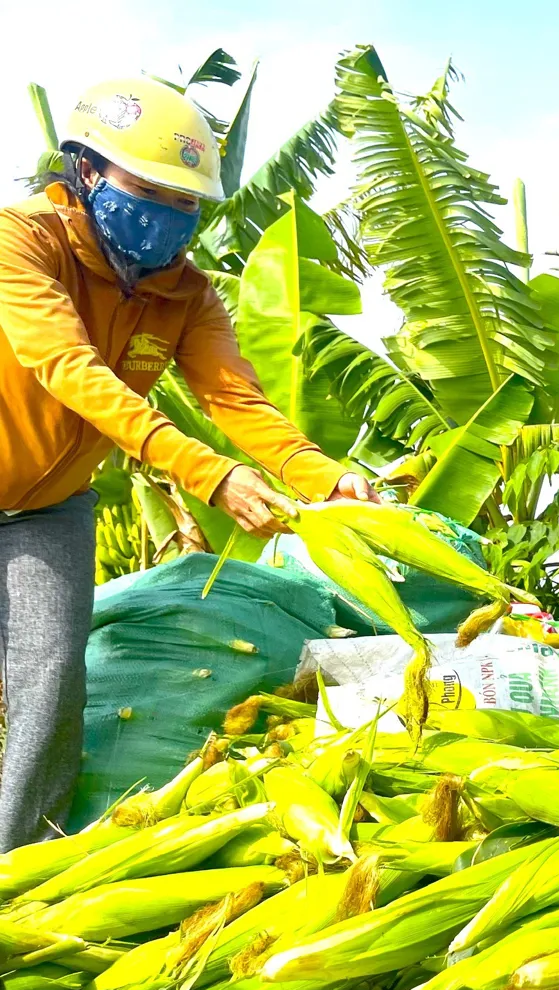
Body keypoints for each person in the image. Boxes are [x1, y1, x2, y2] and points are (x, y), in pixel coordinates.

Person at [0, 77, 379, 851]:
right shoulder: (21, 239)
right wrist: (208, 474)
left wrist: (326, 478)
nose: (169, 215)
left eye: (187, 201)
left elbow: (237, 400)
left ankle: (14, 870)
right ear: (89, 171)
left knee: (49, 685)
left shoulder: (188, 297)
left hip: (46, 509)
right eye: (150, 191)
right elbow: (70, 370)